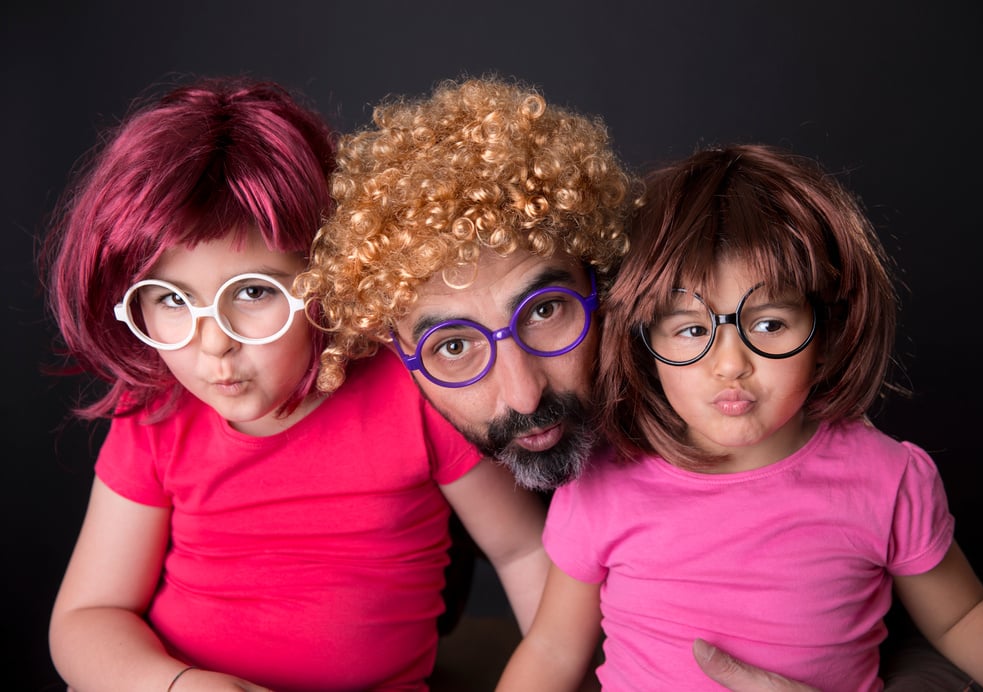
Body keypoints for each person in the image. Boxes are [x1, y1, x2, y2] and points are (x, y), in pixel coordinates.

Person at [300, 76, 846, 691]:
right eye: (453, 346)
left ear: (604, 278)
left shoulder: (724, 384)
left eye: (544, 311)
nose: (523, 393)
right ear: (394, 354)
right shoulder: (385, 441)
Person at [42, 76, 548, 692]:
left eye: (253, 292)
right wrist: (176, 685)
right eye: (171, 300)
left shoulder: (411, 390)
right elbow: (87, 615)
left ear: (329, 275)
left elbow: (526, 552)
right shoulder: (155, 414)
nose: (213, 342)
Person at [496, 143, 983, 691]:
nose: (730, 364)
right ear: (646, 345)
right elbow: (552, 648)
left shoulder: (887, 479)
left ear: (825, 335)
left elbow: (963, 618)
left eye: (770, 325)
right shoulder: (603, 483)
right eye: (690, 330)